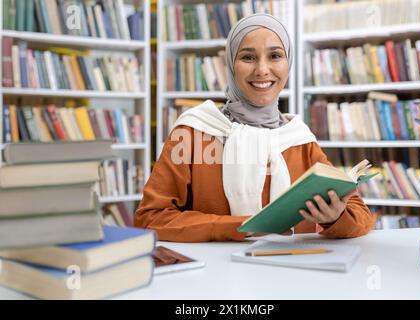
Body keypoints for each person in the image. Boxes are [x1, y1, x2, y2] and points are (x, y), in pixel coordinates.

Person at [134, 13, 375, 242]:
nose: (262, 70)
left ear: (288, 63)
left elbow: (361, 217)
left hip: (292, 273)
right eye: (248, 57)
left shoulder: (299, 139)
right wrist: (243, 228)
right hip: (215, 277)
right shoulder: (193, 132)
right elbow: (151, 219)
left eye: (275, 56)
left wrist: (336, 217)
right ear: (230, 64)